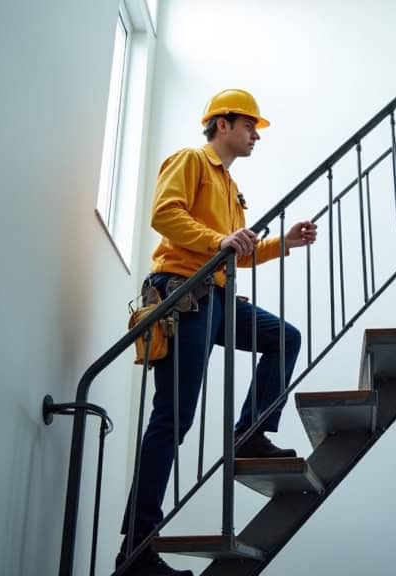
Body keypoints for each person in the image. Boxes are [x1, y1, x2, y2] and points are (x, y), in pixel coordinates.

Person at [117, 88, 317, 576]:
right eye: (250, 125)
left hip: (219, 294)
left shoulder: (231, 188)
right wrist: (218, 241)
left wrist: (281, 244)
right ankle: (137, 550)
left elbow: (236, 251)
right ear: (222, 124)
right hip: (184, 290)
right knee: (173, 418)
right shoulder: (190, 160)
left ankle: (248, 435)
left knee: (284, 337)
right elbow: (163, 215)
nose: (256, 135)